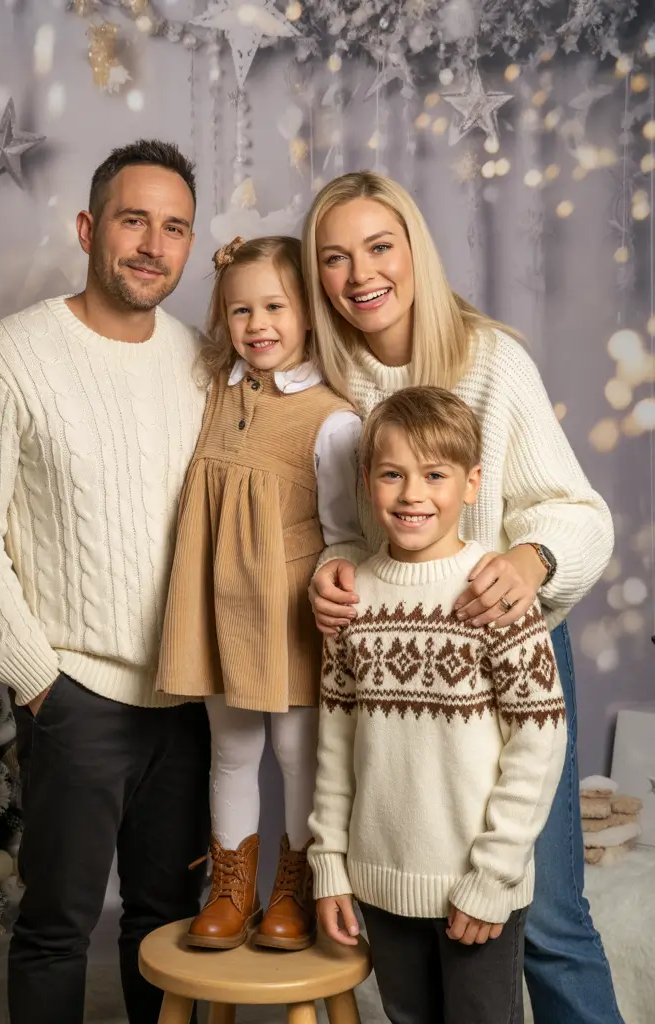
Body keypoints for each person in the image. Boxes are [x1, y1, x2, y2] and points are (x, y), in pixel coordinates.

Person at [302, 171, 621, 1024]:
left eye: (379, 247)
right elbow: (346, 525)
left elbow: (579, 512)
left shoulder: (492, 361)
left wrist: (531, 558)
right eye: (334, 258)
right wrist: (332, 569)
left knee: (543, 915)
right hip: (396, 651)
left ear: (415, 250)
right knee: (415, 935)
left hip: (503, 640)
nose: (360, 274)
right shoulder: (328, 381)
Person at [0, 139, 211, 1024]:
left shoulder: (203, 361)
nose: (153, 246)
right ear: (89, 229)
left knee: (168, 925)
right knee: (57, 927)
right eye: (134, 221)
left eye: (174, 228)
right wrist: (37, 677)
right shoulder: (10, 358)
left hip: (185, 699)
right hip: (75, 693)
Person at [311, 386, 568, 1024]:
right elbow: (336, 746)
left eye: (434, 475)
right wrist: (330, 866)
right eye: (392, 474)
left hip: (477, 888)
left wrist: (494, 876)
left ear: (472, 484)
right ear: (366, 481)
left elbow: (538, 745)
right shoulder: (350, 599)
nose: (412, 494)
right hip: (381, 883)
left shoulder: (497, 595)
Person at [156, 235, 363, 952]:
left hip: (290, 616)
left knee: (299, 755)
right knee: (233, 750)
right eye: (241, 310)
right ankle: (231, 889)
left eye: (275, 306)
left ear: (308, 312)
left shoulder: (333, 419)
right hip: (221, 609)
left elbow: (344, 535)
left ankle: (294, 888)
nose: (257, 324)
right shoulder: (215, 391)